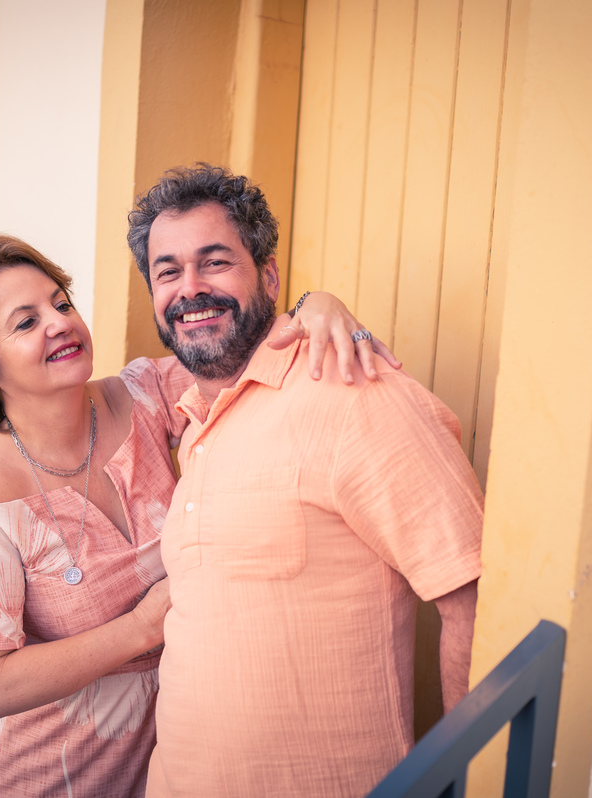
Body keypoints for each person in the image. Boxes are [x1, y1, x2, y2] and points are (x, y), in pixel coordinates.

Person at [0, 233, 392, 797]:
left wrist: (314, 306)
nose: (60, 323)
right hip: (52, 777)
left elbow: (254, 357)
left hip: (175, 760)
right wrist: (140, 628)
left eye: (61, 303)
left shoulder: (148, 395)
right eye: (27, 322)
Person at [126, 165, 485, 798]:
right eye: (168, 272)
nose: (191, 289)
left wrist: (473, 777)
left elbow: (472, 597)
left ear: (269, 276)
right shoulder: (192, 413)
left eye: (215, 262)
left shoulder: (356, 393)